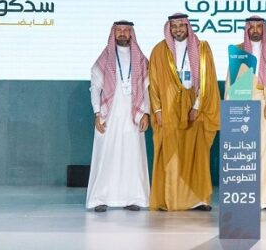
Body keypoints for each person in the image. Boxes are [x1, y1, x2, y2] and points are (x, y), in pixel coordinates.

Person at [148, 13, 220, 211]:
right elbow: (153, 83)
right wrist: (157, 109)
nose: (178, 29)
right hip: (169, 108)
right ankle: (171, 199)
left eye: (181, 25)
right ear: (169, 28)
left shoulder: (202, 49)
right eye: (174, 26)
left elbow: (207, 80)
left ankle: (198, 200)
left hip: (195, 108)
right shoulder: (159, 50)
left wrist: (197, 106)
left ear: (188, 26)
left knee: (196, 154)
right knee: (171, 154)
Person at [225, 16, 266, 211]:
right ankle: (246, 196)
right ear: (246, 29)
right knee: (246, 153)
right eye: (251, 27)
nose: (255, 30)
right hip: (244, 107)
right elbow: (232, 82)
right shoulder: (238, 51)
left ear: (264, 29)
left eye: (258, 27)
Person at [86, 20, 151, 212]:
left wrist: (146, 113)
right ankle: (99, 198)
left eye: (126, 30)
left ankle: (133, 198)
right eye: (119, 30)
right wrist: (97, 112)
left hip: (134, 113)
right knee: (106, 154)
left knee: (132, 155)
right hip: (109, 114)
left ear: (131, 33)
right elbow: (95, 87)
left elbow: (147, 89)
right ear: (113, 34)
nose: (122, 33)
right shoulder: (105, 58)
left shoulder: (141, 60)